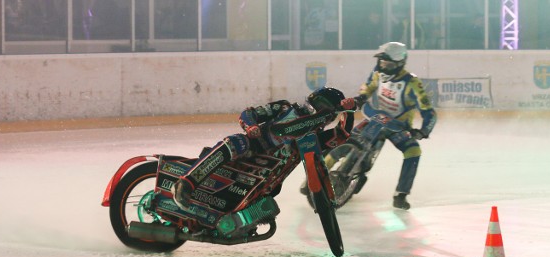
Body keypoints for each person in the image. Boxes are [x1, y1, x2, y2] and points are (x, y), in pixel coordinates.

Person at [172, 87, 352, 209]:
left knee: (273, 191)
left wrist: (349, 111)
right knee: (236, 142)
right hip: (252, 150)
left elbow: (342, 134)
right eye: (320, 105)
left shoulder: (312, 138)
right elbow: (249, 113)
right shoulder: (284, 107)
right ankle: (186, 183)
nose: (320, 111)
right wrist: (250, 126)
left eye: (326, 109)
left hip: (269, 174)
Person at [346, 41, 437, 210]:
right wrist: (361, 97)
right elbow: (368, 86)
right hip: (376, 117)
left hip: (398, 127)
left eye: (388, 64)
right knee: (347, 139)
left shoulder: (412, 83)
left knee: (413, 151)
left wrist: (424, 131)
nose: (383, 67)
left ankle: (401, 194)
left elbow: (429, 112)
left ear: (399, 64)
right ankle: (318, 175)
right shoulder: (378, 73)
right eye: (381, 62)